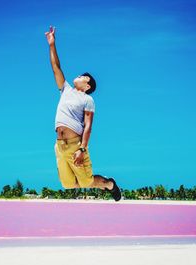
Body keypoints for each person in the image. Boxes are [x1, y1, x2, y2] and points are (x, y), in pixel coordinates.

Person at [45, 25, 121, 201]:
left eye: (83, 76)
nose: (78, 76)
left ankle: (110, 184)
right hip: (60, 146)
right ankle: (102, 184)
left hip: (74, 144)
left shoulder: (88, 100)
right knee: (67, 184)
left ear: (87, 86)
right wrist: (51, 44)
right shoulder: (65, 90)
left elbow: (87, 127)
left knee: (86, 182)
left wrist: (82, 149)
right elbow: (56, 67)